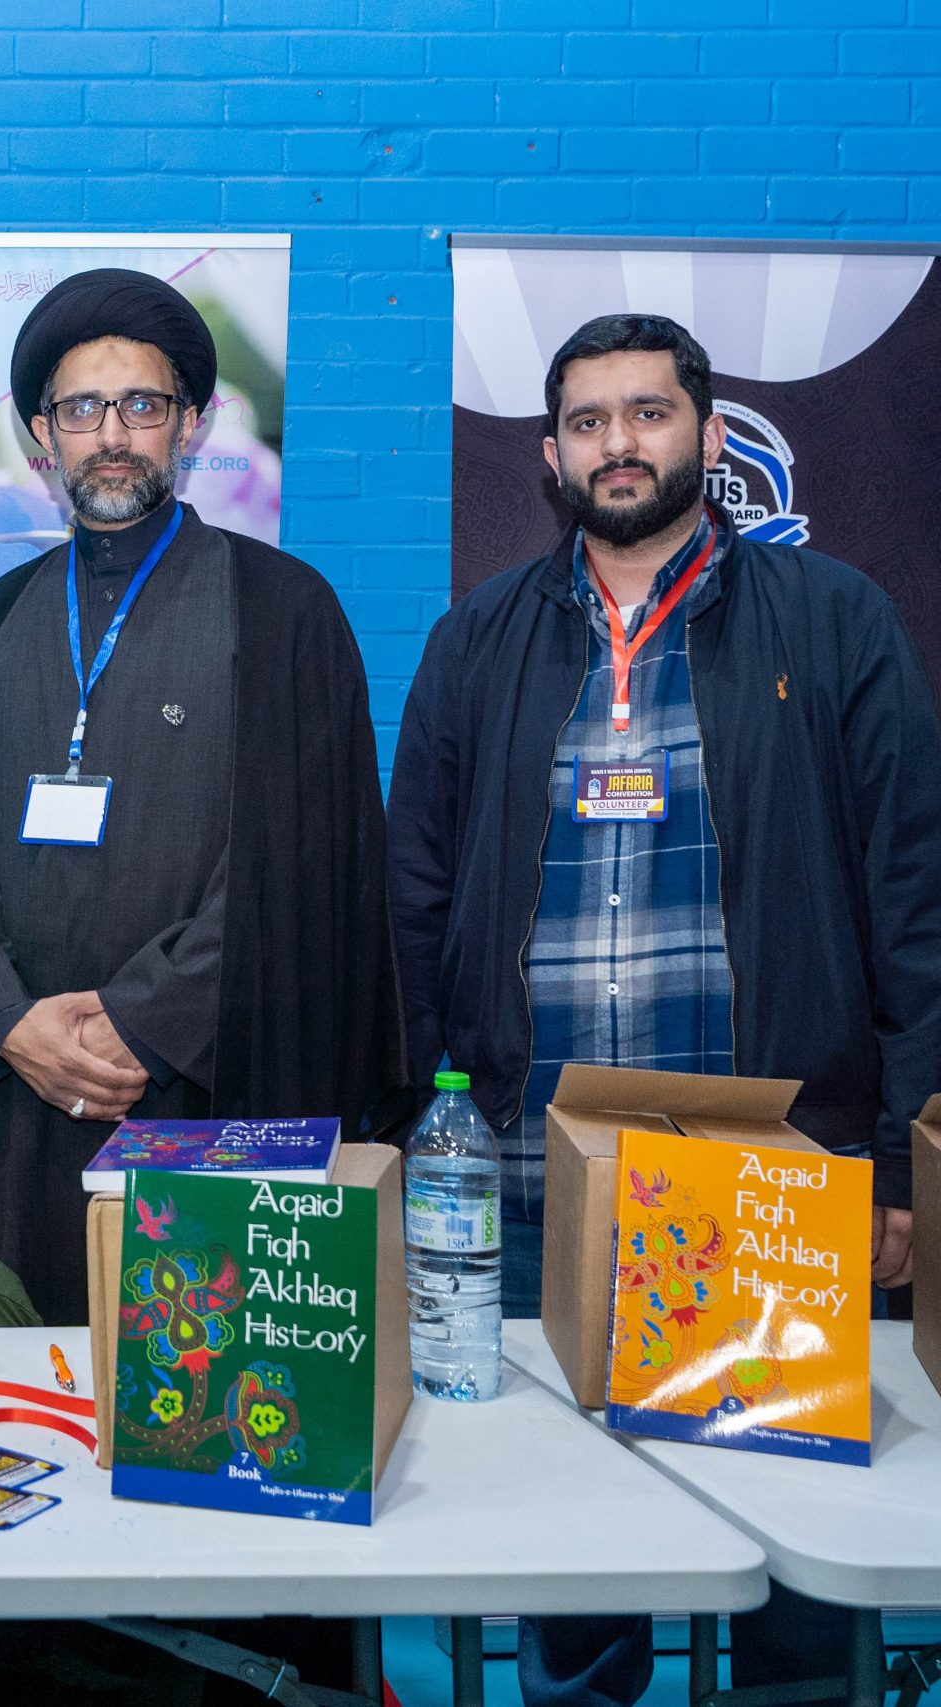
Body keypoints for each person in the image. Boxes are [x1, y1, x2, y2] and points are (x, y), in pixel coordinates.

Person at [389, 312, 936, 1706]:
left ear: (707, 431)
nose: (617, 443)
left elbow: (914, 903)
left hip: (770, 1179)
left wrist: (896, 1168)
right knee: (570, 1551)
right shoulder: (477, 639)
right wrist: (416, 1140)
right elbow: (414, 898)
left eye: (646, 412)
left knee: (795, 1553)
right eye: (587, 421)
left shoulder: (835, 619)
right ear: (551, 454)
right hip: (532, 1182)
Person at [0, 267, 404, 1326]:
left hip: (204, 1088)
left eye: (141, 405)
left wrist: (139, 1019)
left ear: (189, 423)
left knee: (192, 1373)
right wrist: (7, 1018)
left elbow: (299, 869)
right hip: (10, 1096)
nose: (111, 435)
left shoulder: (284, 613)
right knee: (17, 1374)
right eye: (82, 409)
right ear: (42, 436)